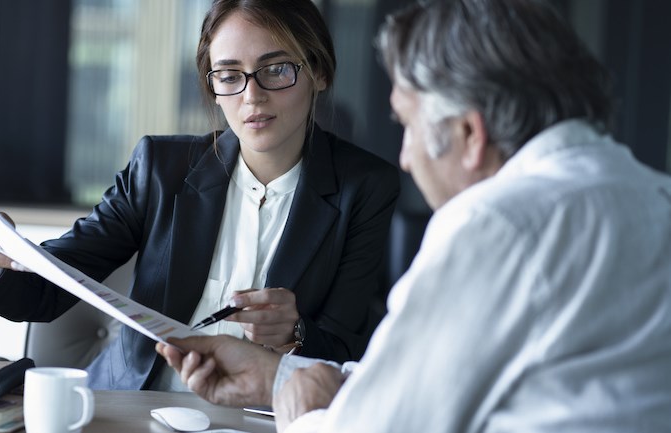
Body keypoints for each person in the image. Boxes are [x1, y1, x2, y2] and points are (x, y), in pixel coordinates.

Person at [156, 0, 671, 431]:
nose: (404, 156)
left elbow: (384, 426)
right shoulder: (652, 196)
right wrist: (279, 379)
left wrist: (302, 412)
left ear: (470, 135)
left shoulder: (497, 226)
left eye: (408, 124)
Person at [0, 0, 399, 391]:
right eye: (229, 75)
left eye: (277, 69)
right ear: (213, 86)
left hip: (265, 417)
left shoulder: (365, 187)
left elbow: (348, 352)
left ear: (318, 72)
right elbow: (45, 291)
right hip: (133, 408)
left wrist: (294, 333)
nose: (252, 96)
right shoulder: (160, 168)